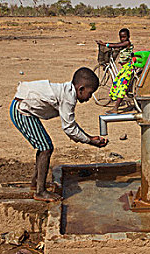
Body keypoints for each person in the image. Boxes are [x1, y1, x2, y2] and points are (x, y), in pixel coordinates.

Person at [10, 67, 108, 202]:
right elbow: (69, 127)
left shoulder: (67, 92)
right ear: (80, 89)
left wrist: (89, 138)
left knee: (44, 146)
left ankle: (36, 183)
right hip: (22, 111)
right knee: (46, 148)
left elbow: (70, 124)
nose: (90, 97)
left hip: (24, 107)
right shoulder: (69, 98)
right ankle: (40, 191)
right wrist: (90, 140)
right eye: (90, 93)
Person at [96, 28, 134, 114]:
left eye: (124, 37)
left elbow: (116, 45)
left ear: (128, 37)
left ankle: (116, 108)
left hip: (127, 67)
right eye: (121, 37)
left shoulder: (127, 43)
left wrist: (106, 45)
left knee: (121, 87)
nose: (122, 39)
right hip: (125, 67)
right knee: (117, 83)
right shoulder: (123, 44)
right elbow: (118, 45)